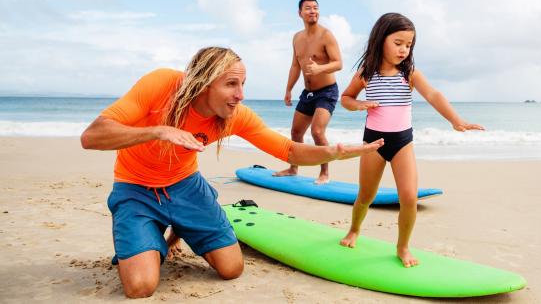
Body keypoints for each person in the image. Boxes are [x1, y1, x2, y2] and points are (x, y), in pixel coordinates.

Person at [80, 47, 382, 299]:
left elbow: (288, 151)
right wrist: (157, 131)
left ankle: (181, 224)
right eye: (231, 84)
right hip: (136, 189)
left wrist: (335, 152)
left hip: (186, 188)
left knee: (231, 268)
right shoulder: (161, 85)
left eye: (243, 84)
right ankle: (149, 237)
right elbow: (92, 136)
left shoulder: (234, 115)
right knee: (140, 287)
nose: (240, 94)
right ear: (204, 83)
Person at [338, 13, 484, 267]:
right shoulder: (366, 73)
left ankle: (403, 247)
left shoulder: (410, 73)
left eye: (409, 44)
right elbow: (346, 98)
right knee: (365, 196)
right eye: (398, 43)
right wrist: (359, 104)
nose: (404, 49)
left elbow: (433, 94)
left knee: (408, 197)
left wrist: (455, 120)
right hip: (374, 143)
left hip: (402, 143)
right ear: (381, 39)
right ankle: (354, 229)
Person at [274, 0, 342, 184]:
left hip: (327, 91)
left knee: (317, 132)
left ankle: (325, 173)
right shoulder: (297, 38)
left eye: (315, 7)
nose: (313, 11)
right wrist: (288, 89)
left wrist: (320, 68)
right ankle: (293, 168)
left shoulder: (326, 35)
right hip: (308, 93)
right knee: (296, 133)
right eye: (308, 8)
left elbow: (338, 63)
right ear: (300, 13)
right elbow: (296, 66)